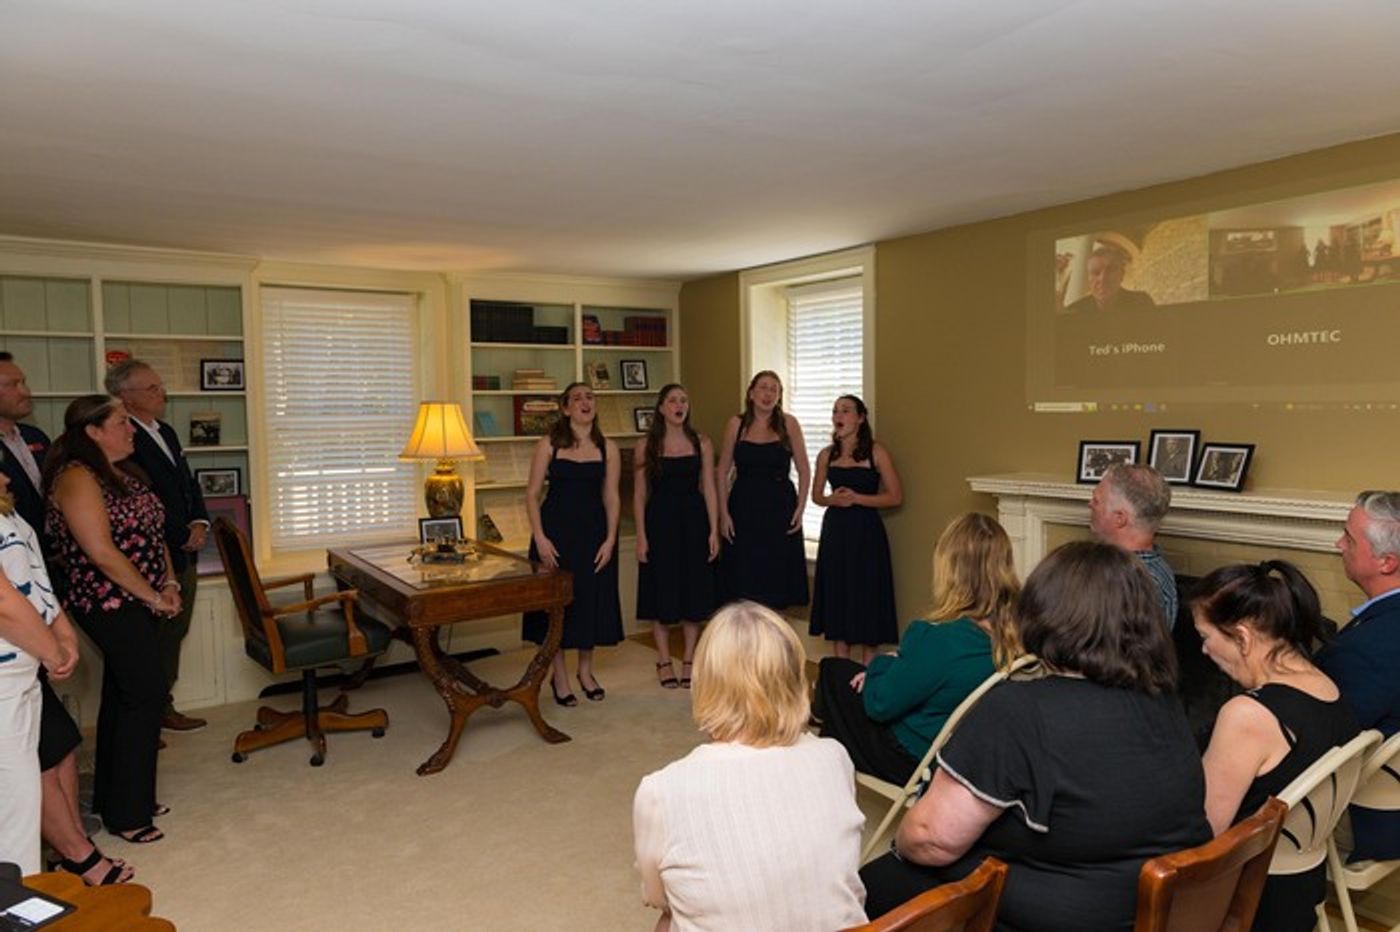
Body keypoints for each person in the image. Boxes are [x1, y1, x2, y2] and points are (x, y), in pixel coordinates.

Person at [860, 541, 1212, 931]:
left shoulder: (1018, 710)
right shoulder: (1164, 702)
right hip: (1161, 909)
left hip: (1060, 916)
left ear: (1044, 614)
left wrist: (902, 841)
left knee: (873, 884)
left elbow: (929, 839)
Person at [632, 601, 866, 931]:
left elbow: (658, 897)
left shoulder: (662, 790)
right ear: (794, 679)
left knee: (667, 921)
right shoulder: (834, 756)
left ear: (704, 682)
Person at [44, 395, 180, 845]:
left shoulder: (125, 472)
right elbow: (101, 552)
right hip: (107, 603)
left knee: (124, 694)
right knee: (145, 693)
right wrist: (152, 597)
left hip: (143, 598)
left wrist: (170, 583)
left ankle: (115, 796)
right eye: (122, 422)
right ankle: (129, 814)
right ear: (93, 431)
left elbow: (154, 535)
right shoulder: (77, 477)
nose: (132, 429)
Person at [1193, 560, 1358, 932]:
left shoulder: (1248, 715)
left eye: (1205, 637)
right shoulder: (1326, 686)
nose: (1204, 650)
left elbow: (1203, 834)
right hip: (1301, 889)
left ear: (1242, 637)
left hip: (1247, 900)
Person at [813, 513, 1019, 785]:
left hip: (911, 758)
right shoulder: (1015, 635)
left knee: (833, 672)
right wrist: (898, 663)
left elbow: (880, 705)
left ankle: (821, 767)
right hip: (960, 754)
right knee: (842, 680)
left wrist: (880, 665)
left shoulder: (938, 638)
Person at [0, 471, 132, 884]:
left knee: (28, 788)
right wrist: (51, 649)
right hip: (8, 673)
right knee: (14, 804)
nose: (5, 476)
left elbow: (34, 578)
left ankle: (57, 865)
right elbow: (3, 601)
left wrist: (61, 631)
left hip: (23, 670)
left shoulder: (9, 513)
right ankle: (22, 898)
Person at [107, 359, 209, 734]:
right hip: (150, 558)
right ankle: (145, 715)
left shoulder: (165, 430)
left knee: (174, 632)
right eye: (152, 388)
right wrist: (179, 534)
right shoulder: (122, 439)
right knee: (147, 642)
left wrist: (199, 522)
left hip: (185, 552)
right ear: (125, 396)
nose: (161, 393)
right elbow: (141, 498)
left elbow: (187, 484)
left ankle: (162, 706)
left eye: (159, 385)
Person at [522, 383, 622, 706]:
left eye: (590, 397)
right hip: (555, 536)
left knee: (590, 602)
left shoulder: (608, 448)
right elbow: (532, 494)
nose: (585, 402)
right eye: (577, 398)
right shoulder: (548, 444)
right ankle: (560, 676)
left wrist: (611, 539)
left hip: (594, 536)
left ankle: (585, 672)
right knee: (558, 607)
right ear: (565, 409)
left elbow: (612, 497)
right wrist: (540, 538)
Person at [1317, 490, 1400, 861]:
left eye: (1349, 538)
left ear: (1386, 562)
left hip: (1372, 817)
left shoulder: (1366, 648)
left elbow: (1319, 738)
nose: (1339, 544)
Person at [633, 384, 719, 690]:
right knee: (661, 590)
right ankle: (664, 659)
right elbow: (639, 494)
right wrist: (641, 535)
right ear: (661, 408)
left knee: (692, 591)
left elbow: (709, 487)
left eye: (683, 400)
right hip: (660, 523)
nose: (679, 405)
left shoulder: (702, 442)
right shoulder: (646, 445)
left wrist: (713, 529)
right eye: (672, 401)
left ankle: (690, 659)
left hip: (694, 522)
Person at [810, 395, 901, 660]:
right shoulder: (826, 455)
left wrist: (857, 499)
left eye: (845, 411)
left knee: (866, 595)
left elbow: (895, 496)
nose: (838, 416)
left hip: (866, 533)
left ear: (860, 418)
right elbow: (817, 496)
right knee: (838, 594)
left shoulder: (876, 452)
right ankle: (841, 668)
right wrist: (832, 500)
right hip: (836, 532)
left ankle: (867, 672)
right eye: (835, 411)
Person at [715, 371, 809, 611]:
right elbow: (722, 470)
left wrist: (800, 507)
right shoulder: (736, 424)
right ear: (751, 393)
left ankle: (776, 632)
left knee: (777, 578)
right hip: (743, 506)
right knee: (743, 578)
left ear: (779, 396)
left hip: (780, 506)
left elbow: (804, 469)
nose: (768, 394)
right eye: (763, 388)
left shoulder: (789, 423)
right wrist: (723, 514)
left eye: (774, 389)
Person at [1090, 462, 1178, 628]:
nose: (1090, 504)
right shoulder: (1151, 568)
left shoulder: (1132, 583)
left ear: (1119, 518)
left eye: (1096, 500)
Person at [1059, 245, 1157, 312]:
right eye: (1096, 272)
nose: (1102, 279)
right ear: (1089, 279)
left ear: (1122, 274)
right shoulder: (1076, 311)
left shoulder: (1141, 303)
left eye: (1111, 270)